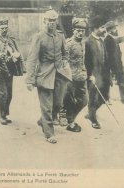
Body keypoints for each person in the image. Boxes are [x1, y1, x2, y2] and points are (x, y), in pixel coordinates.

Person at [25, 9, 72, 144]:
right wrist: (30, 79)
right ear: (44, 21)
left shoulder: (60, 36)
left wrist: (65, 60)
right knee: (46, 106)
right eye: (49, 21)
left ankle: (42, 121)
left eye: (54, 20)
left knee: (57, 104)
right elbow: (31, 59)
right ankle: (49, 133)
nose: (52, 23)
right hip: (44, 75)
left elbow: (65, 52)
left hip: (60, 74)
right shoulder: (38, 37)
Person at [0, 19, 23, 125]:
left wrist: (15, 56)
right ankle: (2, 115)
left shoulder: (11, 41)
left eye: (5, 28)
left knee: (9, 95)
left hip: (10, 71)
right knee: (2, 94)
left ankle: (4, 114)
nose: (4, 30)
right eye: (2, 28)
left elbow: (17, 52)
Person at [63, 18, 88, 132]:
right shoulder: (68, 44)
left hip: (82, 77)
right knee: (67, 101)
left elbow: (84, 60)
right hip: (70, 78)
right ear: (73, 30)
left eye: (82, 30)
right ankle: (71, 122)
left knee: (84, 100)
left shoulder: (83, 42)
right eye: (78, 30)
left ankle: (69, 118)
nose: (80, 33)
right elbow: (64, 61)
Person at [84, 16, 109, 129]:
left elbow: (105, 58)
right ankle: (93, 119)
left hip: (102, 74)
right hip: (93, 75)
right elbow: (86, 61)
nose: (104, 29)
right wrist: (89, 75)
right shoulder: (88, 42)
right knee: (93, 97)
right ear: (94, 28)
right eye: (102, 27)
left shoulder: (101, 40)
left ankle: (90, 114)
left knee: (104, 97)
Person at [104, 21, 124, 104]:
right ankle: (107, 98)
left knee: (122, 80)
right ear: (110, 30)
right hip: (112, 65)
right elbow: (108, 55)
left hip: (118, 64)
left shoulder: (113, 38)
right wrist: (111, 68)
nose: (116, 29)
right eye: (114, 28)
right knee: (109, 82)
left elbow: (121, 39)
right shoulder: (107, 40)